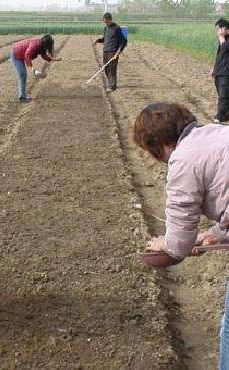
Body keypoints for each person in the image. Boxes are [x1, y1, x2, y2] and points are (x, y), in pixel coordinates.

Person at [132, 102, 229, 369]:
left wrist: (169, 244)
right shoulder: (214, 133)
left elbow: (177, 238)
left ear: (157, 143)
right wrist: (216, 233)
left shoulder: (184, 158)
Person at [10, 34, 62, 103]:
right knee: (22, 75)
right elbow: (27, 55)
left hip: (21, 54)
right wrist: (31, 68)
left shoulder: (42, 45)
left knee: (23, 76)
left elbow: (43, 55)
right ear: (46, 44)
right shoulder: (35, 45)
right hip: (16, 54)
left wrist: (52, 60)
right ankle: (22, 97)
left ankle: (23, 96)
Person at [93, 12, 127, 92]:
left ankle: (113, 86)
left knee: (112, 69)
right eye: (104, 22)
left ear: (110, 19)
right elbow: (105, 39)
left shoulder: (116, 28)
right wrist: (98, 40)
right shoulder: (106, 28)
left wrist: (118, 52)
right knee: (106, 69)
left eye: (107, 21)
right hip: (105, 51)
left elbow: (123, 41)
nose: (106, 23)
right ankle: (110, 83)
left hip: (113, 52)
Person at [213, 18, 229, 124]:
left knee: (223, 96)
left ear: (224, 28)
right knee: (222, 95)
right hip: (219, 71)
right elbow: (220, 55)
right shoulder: (223, 39)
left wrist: (221, 37)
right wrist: (214, 68)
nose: (217, 32)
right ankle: (225, 115)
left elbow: (225, 49)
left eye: (218, 29)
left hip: (226, 72)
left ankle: (219, 117)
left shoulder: (224, 39)